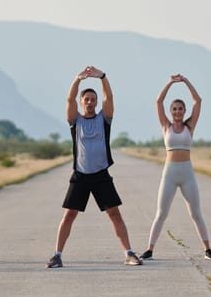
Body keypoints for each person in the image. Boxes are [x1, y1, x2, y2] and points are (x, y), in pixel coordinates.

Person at [46, 65, 142, 268]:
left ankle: (129, 253)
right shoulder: (75, 120)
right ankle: (57, 255)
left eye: (92, 99)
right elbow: (68, 100)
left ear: (96, 102)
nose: (89, 102)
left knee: (114, 214)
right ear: (81, 102)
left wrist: (102, 77)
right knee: (69, 215)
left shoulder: (103, 119)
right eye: (86, 99)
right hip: (80, 175)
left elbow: (110, 99)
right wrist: (77, 80)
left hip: (101, 175)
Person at [140, 74, 211, 260]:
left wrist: (185, 81)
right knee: (161, 213)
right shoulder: (165, 126)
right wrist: (170, 83)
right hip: (170, 172)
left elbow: (198, 101)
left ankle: (208, 249)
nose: (177, 112)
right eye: (174, 109)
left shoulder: (189, 126)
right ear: (171, 111)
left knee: (195, 213)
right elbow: (158, 102)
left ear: (184, 111)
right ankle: (149, 249)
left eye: (180, 109)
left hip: (187, 173)